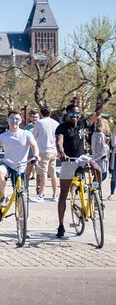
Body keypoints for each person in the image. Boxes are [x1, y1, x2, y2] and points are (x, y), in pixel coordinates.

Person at [55, 91, 112, 238]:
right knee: (63, 194)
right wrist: (62, 153)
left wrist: (108, 98)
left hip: (81, 157)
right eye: (72, 114)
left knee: (97, 168)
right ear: (67, 115)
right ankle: (61, 225)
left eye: (77, 114)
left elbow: (98, 112)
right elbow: (59, 143)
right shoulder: (62, 127)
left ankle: (96, 192)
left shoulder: (82, 123)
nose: (75, 117)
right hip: (69, 160)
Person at [0, 111, 39, 209]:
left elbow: (34, 145)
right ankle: (4, 197)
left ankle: (21, 221)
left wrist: (36, 155)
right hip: (8, 165)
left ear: (20, 121)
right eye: (11, 119)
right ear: (8, 120)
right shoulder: (4, 136)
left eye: (16, 119)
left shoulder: (26, 134)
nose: (14, 121)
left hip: (21, 167)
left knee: (21, 195)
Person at [31, 107, 59, 202]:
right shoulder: (56, 123)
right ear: (50, 113)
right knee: (53, 173)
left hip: (43, 150)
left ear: (41, 114)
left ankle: (41, 195)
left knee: (43, 174)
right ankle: (55, 195)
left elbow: (33, 135)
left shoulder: (39, 123)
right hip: (53, 150)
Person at [91, 117, 110, 186]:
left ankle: (94, 189)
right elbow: (101, 148)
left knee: (97, 176)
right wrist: (106, 144)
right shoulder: (100, 134)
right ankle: (94, 189)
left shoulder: (94, 134)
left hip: (96, 157)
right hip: (100, 158)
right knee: (101, 176)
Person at [23, 110, 40, 186]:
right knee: (27, 173)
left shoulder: (41, 127)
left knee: (39, 174)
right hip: (29, 154)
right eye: (33, 117)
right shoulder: (27, 128)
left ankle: (38, 191)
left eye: (36, 117)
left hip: (39, 154)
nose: (34, 119)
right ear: (30, 118)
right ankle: (25, 189)